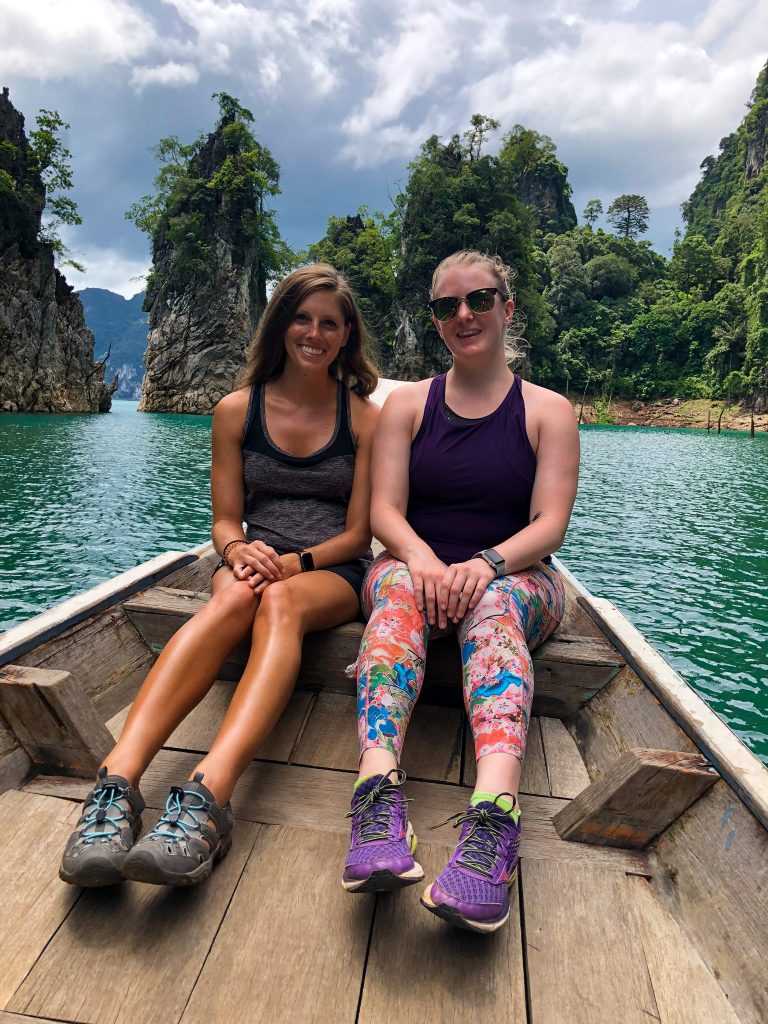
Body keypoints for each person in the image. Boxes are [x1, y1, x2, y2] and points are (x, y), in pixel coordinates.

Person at [60, 264, 380, 888]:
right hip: (248, 558)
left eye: (329, 324)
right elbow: (225, 519)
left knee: (280, 605)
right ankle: (117, 784)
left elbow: (358, 534)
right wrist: (239, 552)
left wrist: (294, 562)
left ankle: (210, 793)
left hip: (328, 568)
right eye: (302, 318)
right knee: (233, 600)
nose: (313, 334)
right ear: (280, 324)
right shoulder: (238, 410)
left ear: (346, 338)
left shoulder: (363, 419)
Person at [342, 250, 579, 933]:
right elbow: (386, 513)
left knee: (495, 606)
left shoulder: (547, 412)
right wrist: (423, 562)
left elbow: (550, 526)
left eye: (479, 300)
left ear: (508, 308)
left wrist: (484, 564)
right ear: (437, 322)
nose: (464, 315)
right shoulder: (409, 405)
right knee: (393, 595)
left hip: (516, 575)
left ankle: (494, 820)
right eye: (448, 306)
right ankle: (376, 794)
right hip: (416, 567)